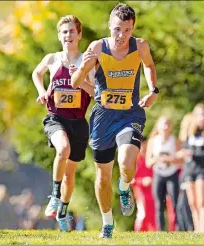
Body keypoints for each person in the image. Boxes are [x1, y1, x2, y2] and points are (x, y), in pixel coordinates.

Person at [71, 3, 158, 238]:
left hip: (130, 114)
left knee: (128, 164)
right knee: (103, 175)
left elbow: (149, 65)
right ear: (110, 26)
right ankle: (107, 223)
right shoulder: (98, 48)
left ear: (133, 29)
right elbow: (76, 82)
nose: (121, 35)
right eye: (117, 29)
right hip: (103, 118)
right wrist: (81, 66)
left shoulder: (140, 46)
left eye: (127, 30)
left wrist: (153, 90)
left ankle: (125, 188)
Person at [32, 15, 94, 232]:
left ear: (79, 35)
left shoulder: (87, 61)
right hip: (55, 117)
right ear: (59, 36)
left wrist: (80, 78)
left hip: (78, 122)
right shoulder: (52, 59)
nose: (68, 35)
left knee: (70, 173)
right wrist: (42, 91)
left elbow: (95, 93)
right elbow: (36, 73)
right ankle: (55, 195)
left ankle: (63, 209)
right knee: (63, 148)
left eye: (72, 31)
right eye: (64, 32)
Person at [146, 116, 183, 231]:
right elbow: (148, 162)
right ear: (158, 126)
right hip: (159, 175)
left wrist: (169, 159)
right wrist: (156, 159)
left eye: (168, 124)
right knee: (159, 204)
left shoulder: (174, 140)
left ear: (171, 126)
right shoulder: (153, 141)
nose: (166, 127)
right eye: (163, 124)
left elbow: (181, 160)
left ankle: (178, 228)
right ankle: (161, 230)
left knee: (176, 202)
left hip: (172, 174)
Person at [177, 104, 204, 232]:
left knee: (201, 202)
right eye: (199, 115)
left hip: (202, 170)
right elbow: (181, 150)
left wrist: (194, 154)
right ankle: (197, 229)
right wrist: (182, 153)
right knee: (193, 203)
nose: (202, 118)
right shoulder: (188, 135)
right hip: (189, 170)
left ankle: (202, 229)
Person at [131, 137, 156, 231]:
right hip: (140, 192)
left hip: (153, 191)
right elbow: (130, 179)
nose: (143, 147)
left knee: (153, 213)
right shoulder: (134, 160)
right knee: (143, 213)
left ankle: (153, 232)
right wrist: (142, 181)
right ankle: (139, 232)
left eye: (144, 144)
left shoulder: (152, 159)